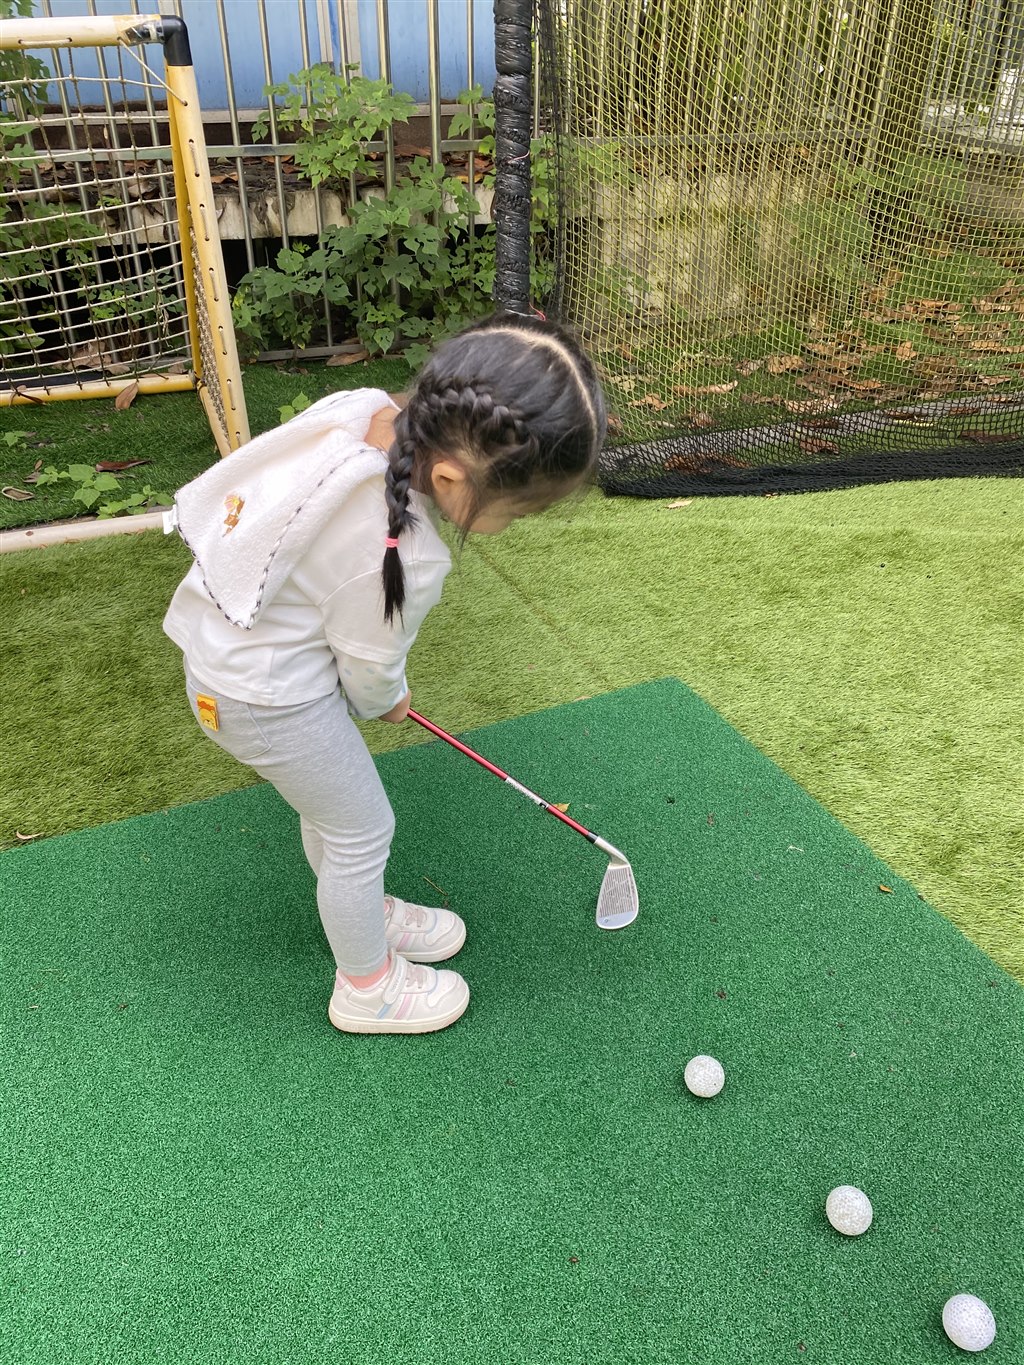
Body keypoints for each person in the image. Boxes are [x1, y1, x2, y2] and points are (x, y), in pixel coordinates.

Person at [163, 311, 606, 1035]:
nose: (513, 526)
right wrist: (391, 697)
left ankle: (362, 910)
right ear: (451, 478)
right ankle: (366, 986)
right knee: (362, 830)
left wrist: (376, 690)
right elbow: (369, 672)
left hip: (232, 662)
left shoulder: (368, 409)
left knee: (336, 816)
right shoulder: (406, 551)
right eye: (517, 512)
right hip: (263, 696)